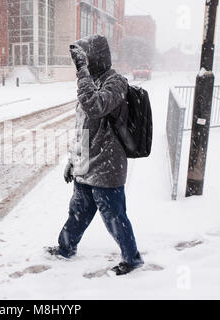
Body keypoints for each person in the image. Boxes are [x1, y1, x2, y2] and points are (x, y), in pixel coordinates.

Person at [46, 35, 144, 276]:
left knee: (114, 217)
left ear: (96, 57)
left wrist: (82, 72)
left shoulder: (115, 83)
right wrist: (72, 160)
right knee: (77, 212)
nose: (82, 64)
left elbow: (95, 106)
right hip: (85, 165)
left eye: (85, 58)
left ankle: (132, 259)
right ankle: (65, 247)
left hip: (107, 166)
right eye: (81, 60)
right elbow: (83, 127)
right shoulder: (91, 81)